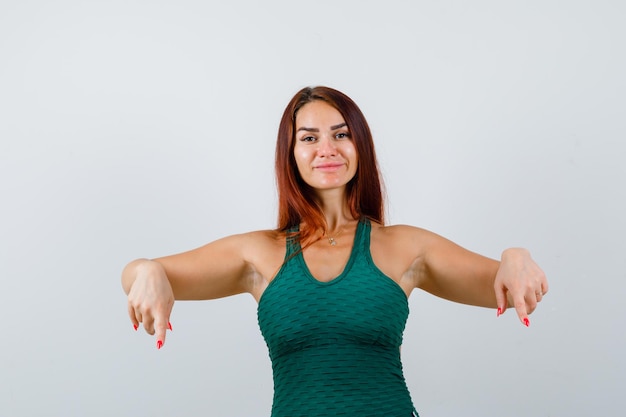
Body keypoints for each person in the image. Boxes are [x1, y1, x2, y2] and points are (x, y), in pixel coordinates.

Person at [122, 86, 548, 417]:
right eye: (310, 137)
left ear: (359, 144)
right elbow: (139, 275)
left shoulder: (405, 247)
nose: (327, 149)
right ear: (291, 154)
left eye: (341, 134)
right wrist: (146, 270)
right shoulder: (257, 254)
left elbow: (507, 287)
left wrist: (515, 254)